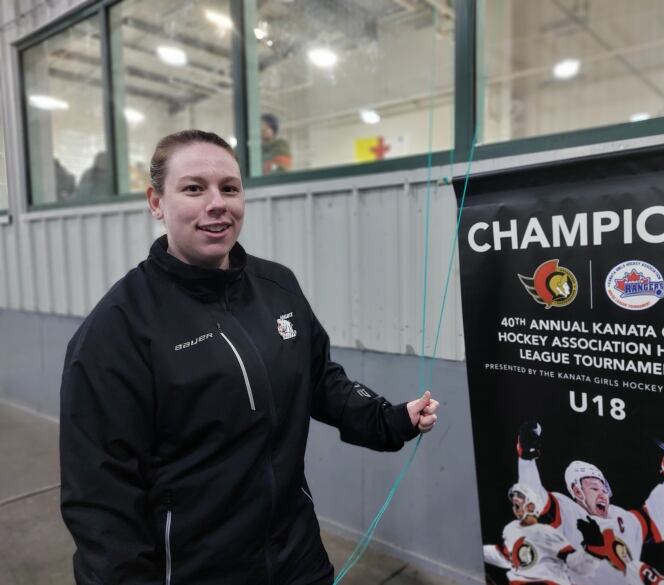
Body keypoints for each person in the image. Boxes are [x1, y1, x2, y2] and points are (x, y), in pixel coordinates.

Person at [59, 129, 439, 585]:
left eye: (230, 188)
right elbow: (99, 499)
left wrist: (390, 419)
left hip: (297, 558)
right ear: (156, 202)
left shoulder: (277, 286)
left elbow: (318, 378)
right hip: (196, 571)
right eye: (194, 188)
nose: (216, 203)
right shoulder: (117, 330)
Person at [515, 420, 664, 585]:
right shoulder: (568, 511)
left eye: (604, 489)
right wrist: (527, 459)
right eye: (595, 489)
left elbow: (660, 517)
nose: (602, 494)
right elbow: (533, 498)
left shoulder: (621, 518)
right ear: (578, 492)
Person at [483, 483, 598, 585]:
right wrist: (475, 551)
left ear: (531, 505)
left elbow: (576, 563)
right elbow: (505, 558)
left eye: (520, 496)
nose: (515, 499)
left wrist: (593, 548)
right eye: (514, 498)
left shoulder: (547, 532)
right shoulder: (511, 529)